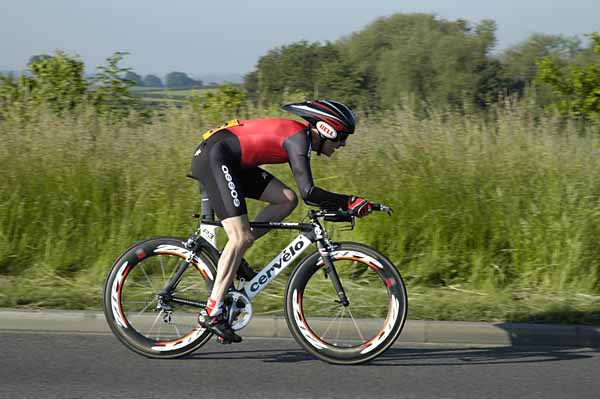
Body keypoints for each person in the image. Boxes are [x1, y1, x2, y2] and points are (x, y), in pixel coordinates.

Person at [191, 99, 374, 343]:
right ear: (327, 130)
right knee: (240, 237)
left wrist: (345, 203)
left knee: (286, 200)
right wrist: (349, 201)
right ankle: (212, 312)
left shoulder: (302, 138)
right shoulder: (299, 139)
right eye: (342, 137)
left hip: (232, 159)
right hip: (215, 156)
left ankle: (233, 255)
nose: (343, 144)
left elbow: (299, 195)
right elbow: (308, 192)